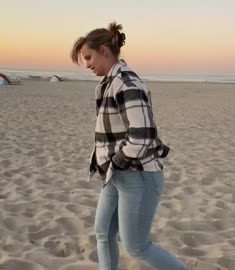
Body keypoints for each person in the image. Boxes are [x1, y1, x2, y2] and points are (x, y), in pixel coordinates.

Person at [70, 22, 188, 270]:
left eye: (89, 57)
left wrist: (116, 163)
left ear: (104, 50)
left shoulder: (126, 83)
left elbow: (143, 135)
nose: (87, 64)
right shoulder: (108, 83)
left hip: (138, 175)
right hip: (117, 175)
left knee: (136, 246)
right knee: (103, 232)